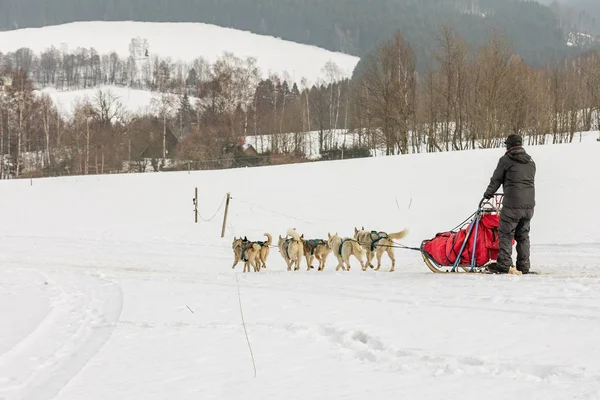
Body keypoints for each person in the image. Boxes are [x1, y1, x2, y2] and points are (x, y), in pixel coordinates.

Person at [483, 134, 536, 274]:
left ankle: (504, 265)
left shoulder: (506, 160)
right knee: (523, 235)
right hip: (529, 205)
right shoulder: (530, 162)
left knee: (506, 233)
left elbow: (496, 180)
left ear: (509, 146)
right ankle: (524, 267)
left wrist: (488, 194)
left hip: (512, 204)